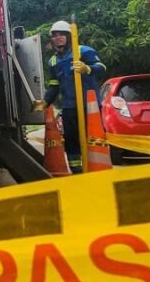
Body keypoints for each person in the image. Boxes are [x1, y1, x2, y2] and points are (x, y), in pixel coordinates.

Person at [38, 20, 107, 173]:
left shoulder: (83, 51)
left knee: (94, 138)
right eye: (55, 35)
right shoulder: (53, 61)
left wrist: (87, 68)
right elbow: (54, 85)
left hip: (90, 107)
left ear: (70, 36)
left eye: (61, 34)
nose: (58, 38)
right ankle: (77, 172)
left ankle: (97, 169)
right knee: (71, 141)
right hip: (69, 107)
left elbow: (102, 68)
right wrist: (45, 102)